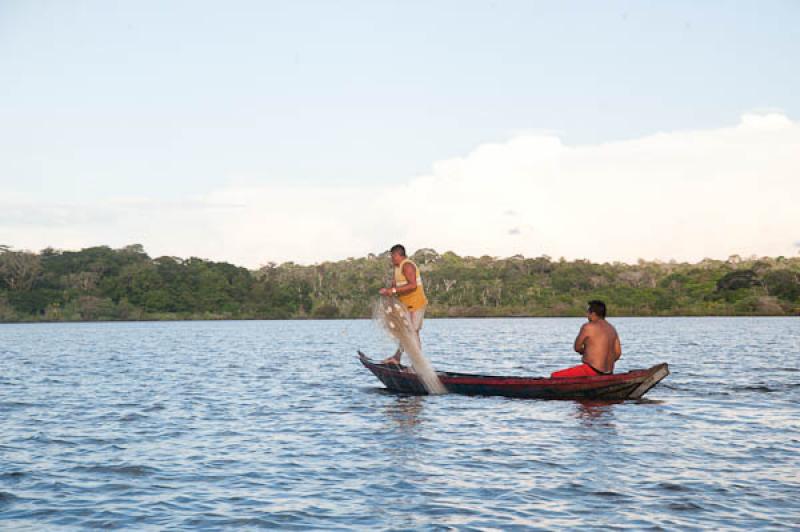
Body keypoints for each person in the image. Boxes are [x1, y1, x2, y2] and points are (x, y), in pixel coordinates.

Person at [379, 244, 428, 364]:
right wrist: (389, 291)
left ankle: (419, 365)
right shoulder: (397, 268)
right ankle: (397, 357)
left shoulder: (407, 265)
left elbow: (413, 285)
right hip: (405, 305)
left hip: (415, 304)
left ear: (397, 255)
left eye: (392, 256)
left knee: (412, 332)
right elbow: (395, 286)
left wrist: (393, 291)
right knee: (405, 331)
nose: (391, 258)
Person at [551, 300, 621, 378]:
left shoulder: (588, 327)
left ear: (593, 314)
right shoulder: (612, 329)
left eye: (588, 313)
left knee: (554, 376)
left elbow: (577, 348)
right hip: (609, 372)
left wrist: (586, 352)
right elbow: (618, 354)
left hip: (592, 371)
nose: (587, 315)